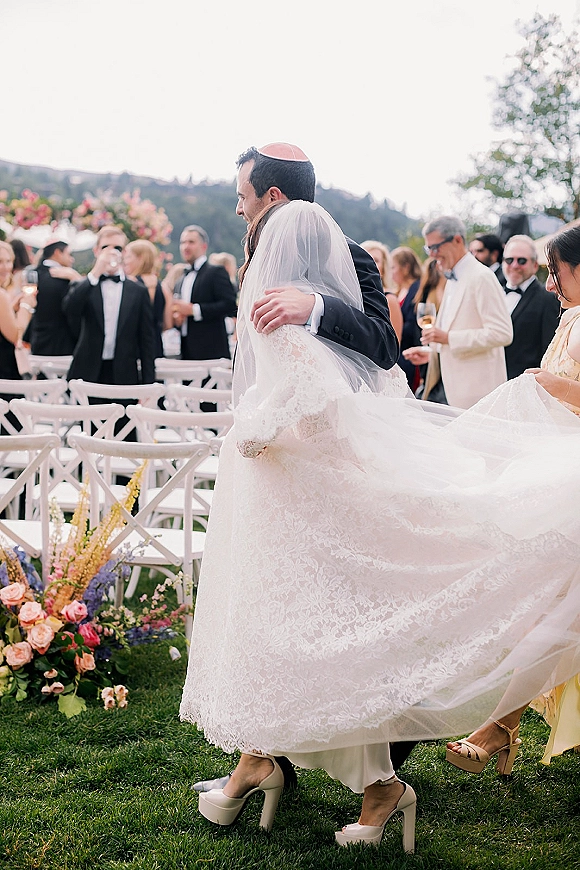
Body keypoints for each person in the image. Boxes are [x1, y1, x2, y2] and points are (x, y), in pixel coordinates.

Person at [181, 200, 580, 851]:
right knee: (296, 641)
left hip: (312, 515)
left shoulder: (298, 323)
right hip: (285, 519)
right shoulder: (280, 322)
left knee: (330, 646)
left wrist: (250, 433)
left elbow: (315, 409)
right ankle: (265, 763)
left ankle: (363, 783)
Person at [446, 223, 580, 773]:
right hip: (558, 477)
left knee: (558, 611)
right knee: (545, 607)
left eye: (557, 271)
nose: (551, 285)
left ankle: (499, 726)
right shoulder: (572, 317)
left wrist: (554, 388)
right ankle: (501, 726)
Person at [233, 144, 399, 372]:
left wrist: (315, 307)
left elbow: (386, 346)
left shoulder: (349, 254)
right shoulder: (261, 258)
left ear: (272, 196)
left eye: (243, 197)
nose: (238, 209)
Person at [404, 216, 513, 409]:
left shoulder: (481, 277)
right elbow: (459, 328)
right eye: (428, 249)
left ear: (457, 240)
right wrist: (432, 352)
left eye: (436, 247)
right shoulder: (453, 278)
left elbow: (502, 333)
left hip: (478, 394)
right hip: (453, 391)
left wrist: (448, 338)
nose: (432, 255)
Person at [63, 226, 155, 385]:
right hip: (87, 371)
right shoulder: (85, 285)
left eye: (118, 248)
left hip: (124, 373)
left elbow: (146, 339)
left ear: (125, 252)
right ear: (96, 251)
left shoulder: (138, 291)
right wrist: (95, 273)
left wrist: (148, 383)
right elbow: (69, 309)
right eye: (106, 247)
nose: (112, 252)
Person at [171, 226, 237, 361]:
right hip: (185, 350)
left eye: (191, 242)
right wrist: (177, 318)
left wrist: (194, 310)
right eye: (183, 242)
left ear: (204, 246)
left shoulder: (216, 272)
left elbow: (229, 304)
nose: (185, 246)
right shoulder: (180, 279)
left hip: (211, 350)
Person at [501, 234, 560, 379]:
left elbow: (549, 349)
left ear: (534, 265)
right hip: (492, 382)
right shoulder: (494, 293)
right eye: (509, 260)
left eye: (521, 261)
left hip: (525, 384)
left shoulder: (549, 299)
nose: (514, 265)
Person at [29, 240, 80, 356]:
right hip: (63, 344)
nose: (72, 259)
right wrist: (76, 279)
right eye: (69, 254)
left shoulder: (32, 274)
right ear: (57, 253)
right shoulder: (65, 277)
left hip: (37, 341)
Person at [122, 239, 170, 360]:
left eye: (128, 257)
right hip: (156, 347)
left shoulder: (129, 285)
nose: (124, 261)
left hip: (132, 348)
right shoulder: (164, 288)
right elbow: (168, 324)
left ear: (140, 258)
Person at [0, 240, 36, 381]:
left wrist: (12, 308)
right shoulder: (1, 295)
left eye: (9, 261)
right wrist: (26, 307)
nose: (5, 267)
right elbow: (16, 335)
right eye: (0, 261)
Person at [390, 247, 422, 389]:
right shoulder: (399, 290)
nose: (391, 272)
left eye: (393, 267)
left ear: (406, 267)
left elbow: (414, 323)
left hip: (411, 351)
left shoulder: (417, 289)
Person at [360, 240, 403, 342]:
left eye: (376, 260)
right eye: (365, 258)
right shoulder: (350, 294)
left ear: (383, 267)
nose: (369, 263)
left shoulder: (389, 299)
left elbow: (394, 344)